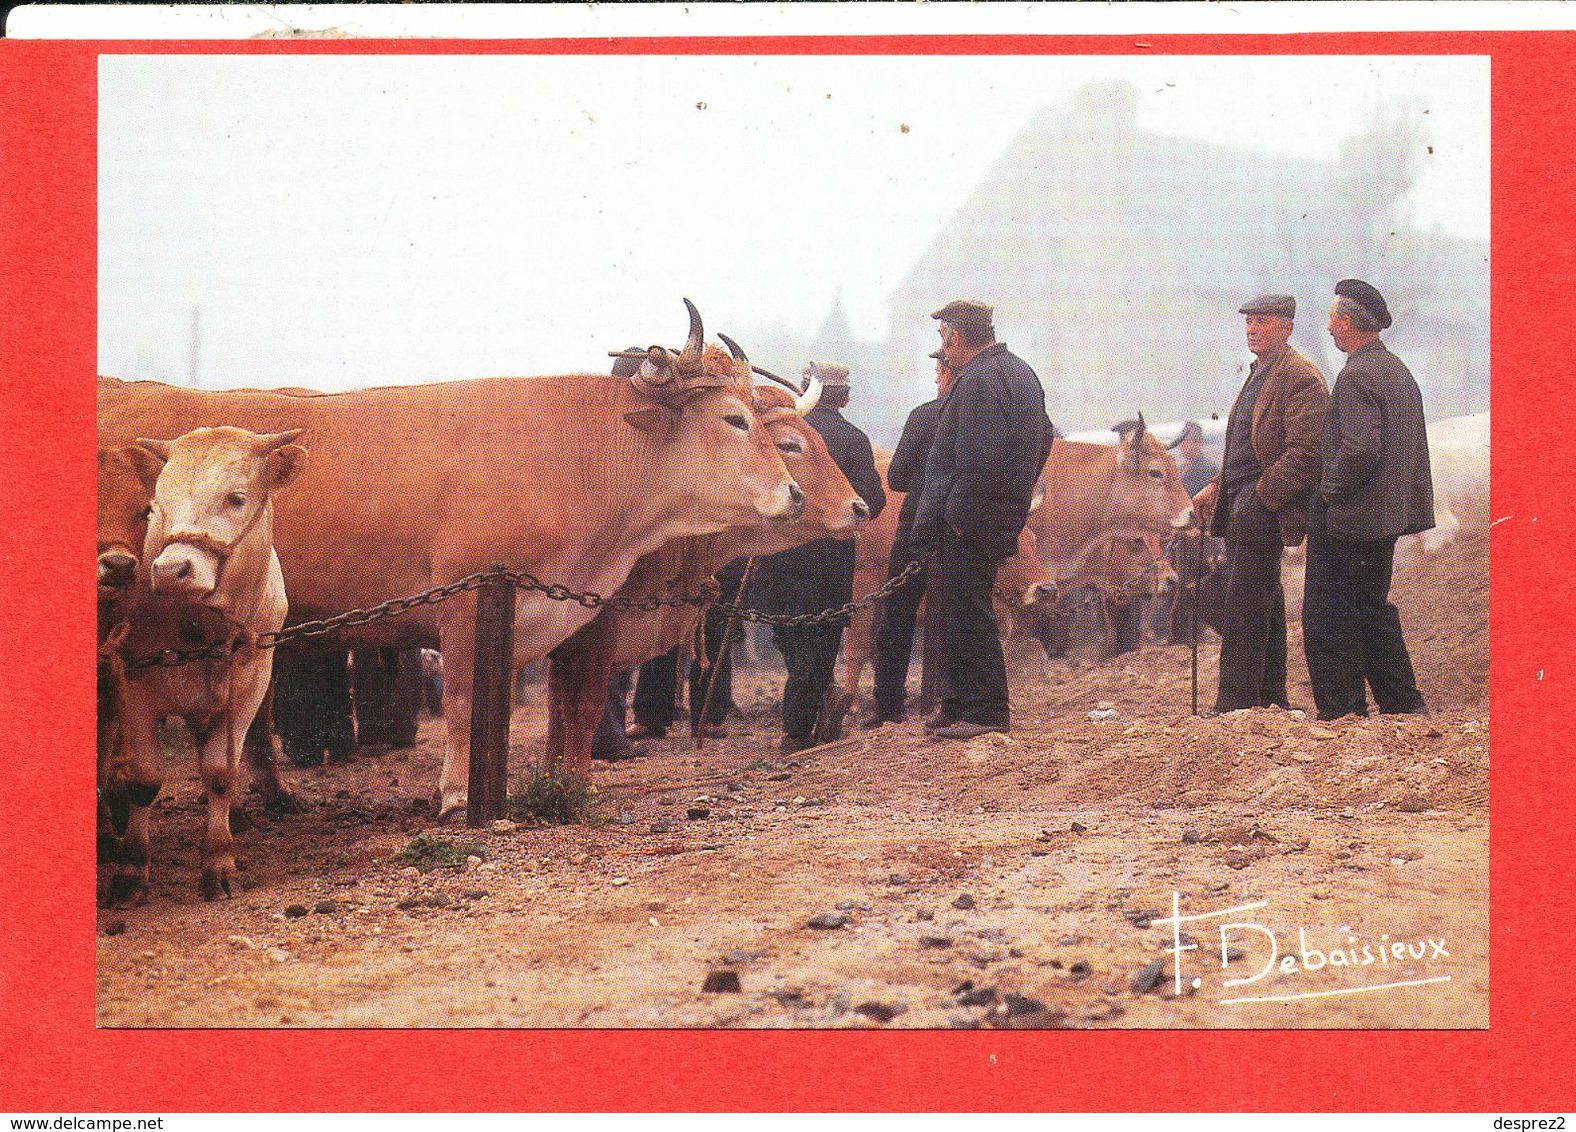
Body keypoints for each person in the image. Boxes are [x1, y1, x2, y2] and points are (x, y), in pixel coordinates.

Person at [910, 300, 1054, 740]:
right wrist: (1018, 492)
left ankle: (987, 713)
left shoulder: (978, 380)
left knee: (970, 612)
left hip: (968, 523)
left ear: (955, 336)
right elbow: (1045, 436)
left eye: (942, 337)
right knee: (957, 610)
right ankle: (955, 704)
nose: (942, 346)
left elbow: (978, 460)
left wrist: (958, 517)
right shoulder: (1020, 372)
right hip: (994, 517)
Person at [1302, 279, 1434, 721]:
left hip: (1348, 520)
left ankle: (1341, 713)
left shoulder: (1356, 375)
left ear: (1347, 321)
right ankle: (1404, 704)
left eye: (1334, 318)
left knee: (1330, 616)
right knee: (1371, 609)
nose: (1329, 327)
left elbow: (1360, 449)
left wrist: (1328, 491)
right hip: (1384, 520)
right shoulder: (1397, 370)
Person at [1192, 294, 1328, 714]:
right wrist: (1216, 487)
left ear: (1286, 327)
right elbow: (1245, 446)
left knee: (1244, 603)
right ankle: (1270, 697)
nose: (1252, 329)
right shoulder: (1260, 373)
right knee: (1260, 600)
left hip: (1261, 508)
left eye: (1262, 322)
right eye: (1248, 322)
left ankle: (1235, 702)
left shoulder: (1300, 377)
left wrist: (1258, 500)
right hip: (1240, 503)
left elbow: (1306, 451)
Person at [755, 361, 886, 753]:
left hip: (777, 555)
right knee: (821, 640)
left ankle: (800, 719)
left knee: (790, 636)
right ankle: (804, 718)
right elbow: (873, 502)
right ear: (845, 397)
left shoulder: (770, 432)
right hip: (830, 559)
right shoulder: (853, 439)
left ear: (803, 391)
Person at [865, 348, 953, 727]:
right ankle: (952, 699)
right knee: (960, 612)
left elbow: (897, 477)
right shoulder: (985, 416)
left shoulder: (924, 416)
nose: (935, 378)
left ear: (944, 373)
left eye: (937, 372)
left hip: (918, 525)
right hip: (964, 529)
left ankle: (889, 705)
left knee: (898, 615)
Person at [1161, 421, 1223, 643]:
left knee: (1194, 586)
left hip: (1199, 538)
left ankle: (1192, 632)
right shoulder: (1179, 470)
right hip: (1179, 536)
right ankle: (1176, 633)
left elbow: (1215, 505)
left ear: (1198, 444)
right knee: (1176, 586)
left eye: (1192, 442)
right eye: (1185, 442)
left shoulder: (1208, 470)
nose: (1187, 447)